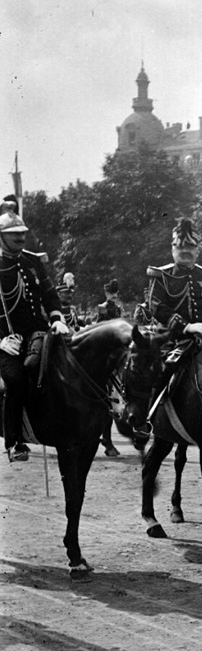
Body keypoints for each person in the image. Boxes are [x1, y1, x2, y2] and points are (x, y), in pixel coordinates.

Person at [0, 196, 71, 462]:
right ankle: (14, 441)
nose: (20, 239)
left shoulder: (33, 262)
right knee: (16, 379)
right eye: (13, 235)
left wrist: (56, 318)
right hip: (7, 339)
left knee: (63, 364)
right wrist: (0, 342)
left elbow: (50, 296)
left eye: (22, 234)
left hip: (38, 332)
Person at [143, 217, 202, 399]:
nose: (185, 251)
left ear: (198, 250)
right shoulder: (161, 275)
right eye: (180, 247)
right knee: (161, 377)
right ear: (172, 249)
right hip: (171, 340)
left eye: (190, 247)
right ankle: (148, 419)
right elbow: (157, 307)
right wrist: (187, 327)